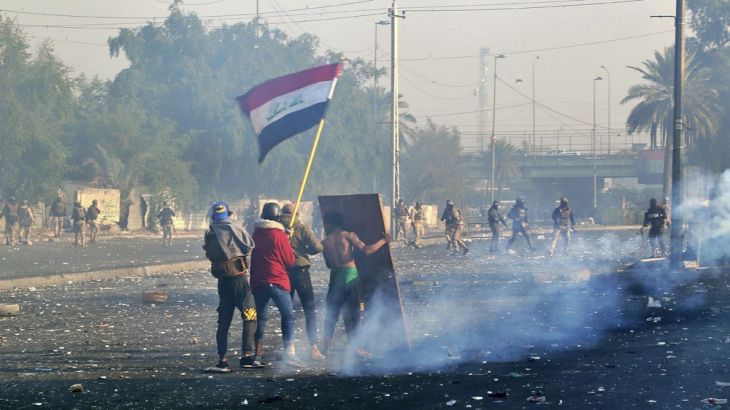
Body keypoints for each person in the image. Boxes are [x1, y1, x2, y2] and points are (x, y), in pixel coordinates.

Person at [203, 201, 264, 371]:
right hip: (239, 281)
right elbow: (248, 247)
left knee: (224, 321)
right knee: (250, 316)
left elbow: (209, 254)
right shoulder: (234, 227)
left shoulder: (210, 233)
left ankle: (222, 359)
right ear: (228, 214)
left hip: (223, 282)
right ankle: (246, 356)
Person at [321, 211, 389, 358]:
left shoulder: (325, 242)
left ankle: (325, 349)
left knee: (331, 315)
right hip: (350, 278)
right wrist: (384, 240)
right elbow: (367, 250)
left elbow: (328, 264)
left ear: (328, 224)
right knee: (354, 315)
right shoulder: (349, 235)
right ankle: (356, 348)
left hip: (335, 280)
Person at [249, 202, 302, 367]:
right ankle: (290, 353)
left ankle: (257, 355)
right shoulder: (279, 236)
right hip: (277, 282)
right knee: (288, 317)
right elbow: (290, 261)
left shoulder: (255, 234)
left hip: (258, 282)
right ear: (278, 217)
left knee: (261, 319)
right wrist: (287, 240)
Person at [280, 203, 326, 361]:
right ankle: (314, 349)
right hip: (301, 272)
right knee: (309, 311)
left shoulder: (278, 228)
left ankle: (288, 349)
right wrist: (306, 251)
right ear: (296, 213)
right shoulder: (302, 226)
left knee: (286, 312)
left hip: (284, 272)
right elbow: (318, 247)